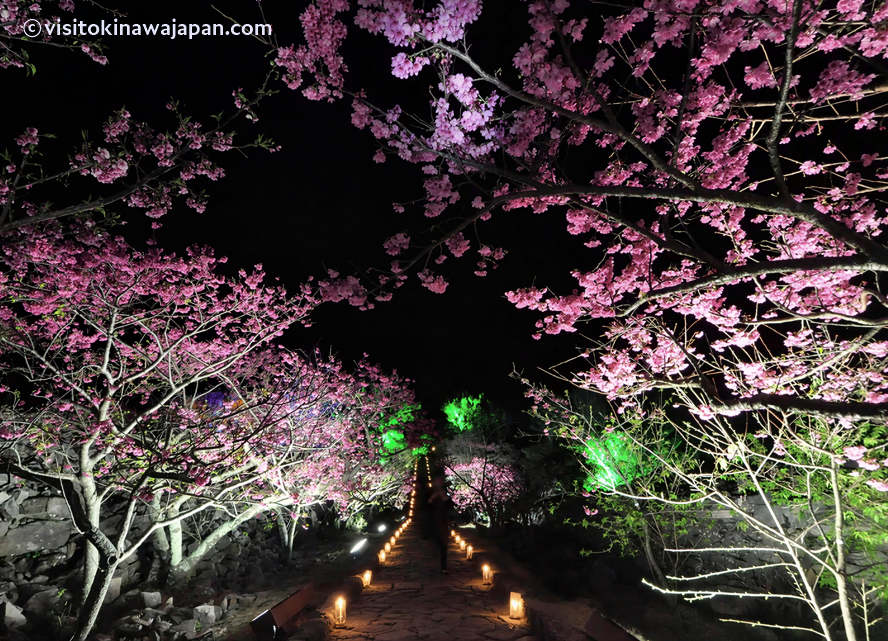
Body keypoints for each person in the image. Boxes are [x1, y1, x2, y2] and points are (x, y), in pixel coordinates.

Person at [428, 474, 451, 574]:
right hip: (433, 521)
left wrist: (444, 496)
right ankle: (433, 565)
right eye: (437, 481)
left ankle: (443, 567)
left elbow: (450, 505)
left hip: (443, 521)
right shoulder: (431, 492)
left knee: (443, 545)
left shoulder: (445, 491)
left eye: (440, 481)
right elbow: (427, 505)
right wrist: (432, 498)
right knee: (434, 544)